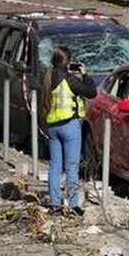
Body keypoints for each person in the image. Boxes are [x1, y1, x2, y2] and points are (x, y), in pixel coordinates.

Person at [42, 46, 97, 216]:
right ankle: (73, 205)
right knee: (71, 167)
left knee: (55, 166)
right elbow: (92, 92)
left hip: (53, 127)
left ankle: (54, 203)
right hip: (70, 126)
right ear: (67, 62)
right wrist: (85, 74)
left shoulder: (48, 78)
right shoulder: (69, 79)